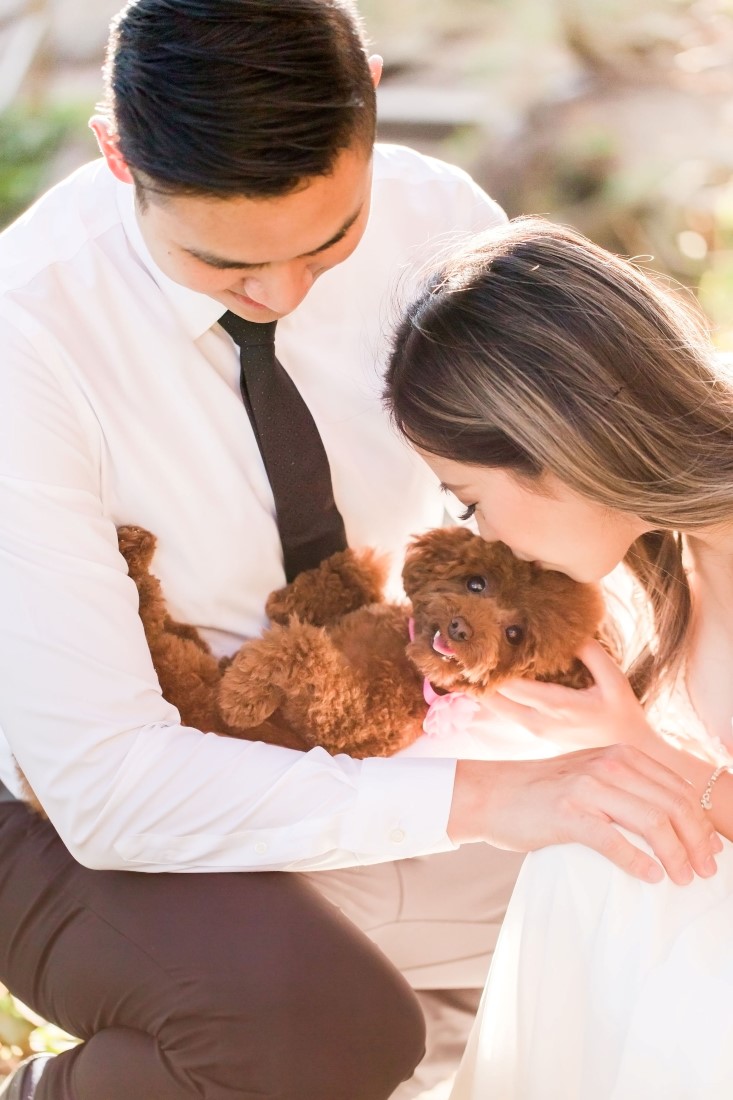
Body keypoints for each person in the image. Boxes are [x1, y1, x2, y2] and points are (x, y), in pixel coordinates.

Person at [0, 0, 720, 1093]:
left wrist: (606, 741)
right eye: (222, 262)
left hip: (395, 727)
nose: (285, 291)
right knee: (316, 1025)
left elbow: (568, 491)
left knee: (631, 879)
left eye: (327, 240)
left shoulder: (436, 215)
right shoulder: (27, 341)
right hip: (74, 801)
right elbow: (106, 785)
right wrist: (494, 800)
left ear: (372, 100)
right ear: (114, 154)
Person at [384, 215, 733, 1099]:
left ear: (558, 449)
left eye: (472, 500)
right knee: (589, 847)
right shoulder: (666, 555)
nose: (482, 535)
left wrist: (651, 757)